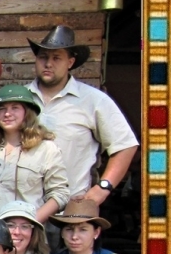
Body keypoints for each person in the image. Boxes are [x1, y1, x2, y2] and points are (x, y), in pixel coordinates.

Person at [25, 25, 139, 204]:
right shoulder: (19, 99)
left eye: (56, 58)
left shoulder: (94, 100)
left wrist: (103, 188)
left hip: (72, 209)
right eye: (43, 57)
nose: (48, 64)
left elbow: (125, 145)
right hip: (22, 210)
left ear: (70, 63)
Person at [0, 85, 70, 223]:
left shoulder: (46, 149)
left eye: (15, 108)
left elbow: (60, 194)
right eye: (2, 109)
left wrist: (31, 222)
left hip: (29, 232)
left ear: (27, 113)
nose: (7, 114)